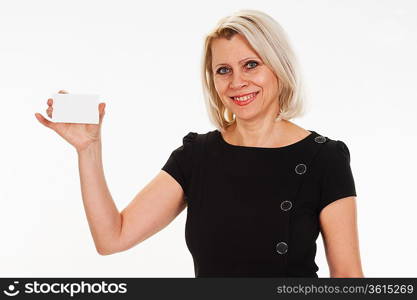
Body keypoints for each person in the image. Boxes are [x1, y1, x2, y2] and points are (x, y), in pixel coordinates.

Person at [35, 9, 363, 278]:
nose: (237, 82)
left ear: (279, 66)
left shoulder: (325, 158)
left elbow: (348, 277)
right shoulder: (197, 157)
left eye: (251, 64)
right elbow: (112, 237)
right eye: (223, 70)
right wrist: (88, 149)